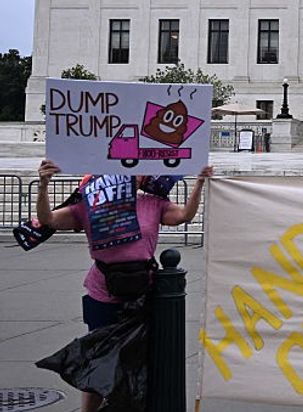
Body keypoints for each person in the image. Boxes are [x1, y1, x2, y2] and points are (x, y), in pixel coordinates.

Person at [34, 159, 211, 412]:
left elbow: (184, 215)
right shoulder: (91, 205)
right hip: (103, 293)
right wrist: (43, 185)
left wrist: (200, 184)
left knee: (141, 358)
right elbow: (48, 219)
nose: (132, 174)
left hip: (143, 292)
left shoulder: (152, 203)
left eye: (137, 170)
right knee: (100, 359)